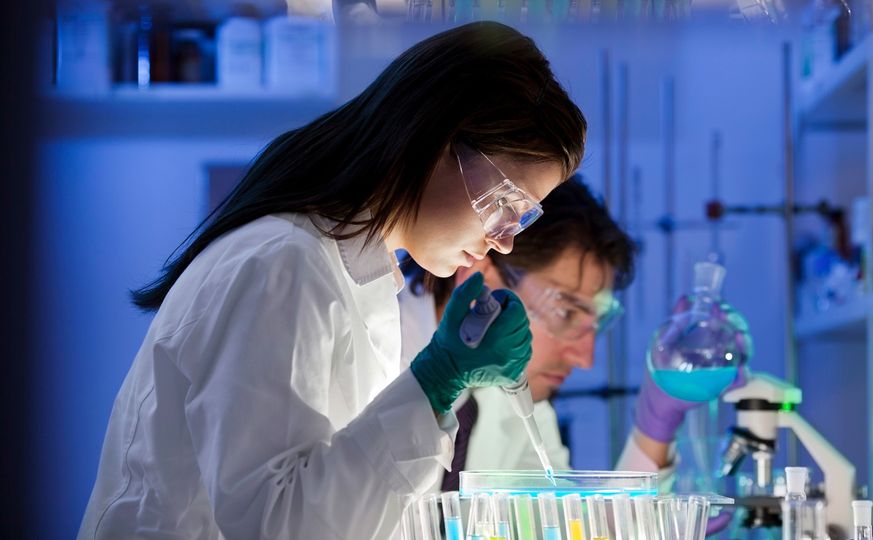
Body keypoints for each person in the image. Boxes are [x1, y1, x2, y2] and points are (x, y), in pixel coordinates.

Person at [78, 22, 587, 540]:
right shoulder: (282, 264)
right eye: (505, 203)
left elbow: (345, 507)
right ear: (435, 139)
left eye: (521, 217)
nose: (505, 241)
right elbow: (278, 524)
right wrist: (437, 381)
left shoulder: (356, 274)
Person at [400, 178, 741, 532]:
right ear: (482, 277)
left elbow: (578, 529)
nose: (585, 359)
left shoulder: (520, 411)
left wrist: (653, 427)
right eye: (566, 313)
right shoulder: (365, 356)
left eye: (596, 324)